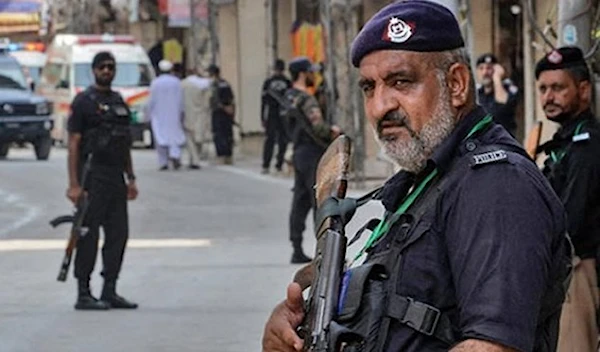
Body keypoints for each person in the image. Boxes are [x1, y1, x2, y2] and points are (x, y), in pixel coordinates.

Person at [262, 1, 571, 351]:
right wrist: (295, 326)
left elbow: (492, 346)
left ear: (456, 84)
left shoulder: (496, 185)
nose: (380, 106)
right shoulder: (426, 179)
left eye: (401, 82)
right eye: (369, 88)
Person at [535, 46, 600, 352]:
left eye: (558, 88)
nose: (548, 97)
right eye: (543, 89)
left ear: (583, 90)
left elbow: (569, 219)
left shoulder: (586, 144)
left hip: (577, 267)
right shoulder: (565, 142)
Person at [66, 51, 139, 310]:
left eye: (111, 67)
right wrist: (74, 184)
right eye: (102, 67)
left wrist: (131, 178)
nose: (107, 71)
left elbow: (125, 143)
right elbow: (74, 143)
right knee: (87, 235)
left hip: (115, 177)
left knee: (118, 234)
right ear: (94, 70)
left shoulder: (119, 101)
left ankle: (110, 289)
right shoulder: (83, 102)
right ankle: (83, 292)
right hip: (92, 175)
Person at [284, 57, 341, 264]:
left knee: (299, 200)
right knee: (320, 199)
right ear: (302, 73)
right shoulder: (306, 99)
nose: (313, 76)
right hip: (312, 153)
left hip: (299, 151)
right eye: (310, 72)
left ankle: (296, 247)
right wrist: (333, 132)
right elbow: (318, 126)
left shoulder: (288, 97)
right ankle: (324, 249)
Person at [146, 59, 186, 170]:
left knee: (160, 137)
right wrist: (182, 112)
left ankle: (163, 162)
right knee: (174, 134)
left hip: (159, 114)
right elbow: (181, 100)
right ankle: (175, 156)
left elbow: (151, 101)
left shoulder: (155, 83)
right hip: (174, 113)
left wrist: (148, 114)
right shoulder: (176, 82)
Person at [476, 53, 519, 137]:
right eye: (481, 68)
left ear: (496, 69)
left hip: (504, 141)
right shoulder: (477, 93)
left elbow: (502, 107)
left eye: (489, 68)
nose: (485, 72)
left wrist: (497, 78)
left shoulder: (508, 88)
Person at [261, 59, 292, 174]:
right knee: (272, 139)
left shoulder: (274, 82)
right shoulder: (271, 82)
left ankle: (276, 164)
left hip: (279, 113)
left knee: (281, 139)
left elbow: (263, 101)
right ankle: (267, 164)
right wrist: (263, 117)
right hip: (274, 113)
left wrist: (263, 116)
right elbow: (264, 101)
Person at [181, 67, 212, 169]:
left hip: (188, 112)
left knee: (189, 138)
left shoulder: (183, 84)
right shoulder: (205, 84)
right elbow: (208, 99)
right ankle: (196, 158)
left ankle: (194, 159)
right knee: (199, 138)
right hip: (201, 113)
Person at [208, 64, 236, 165]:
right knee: (228, 133)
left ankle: (221, 155)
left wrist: (223, 107)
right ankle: (229, 155)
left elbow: (214, 100)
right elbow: (232, 99)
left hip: (218, 112)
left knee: (218, 134)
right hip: (228, 112)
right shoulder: (226, 83)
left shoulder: (214, 85)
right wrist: (231, 111)